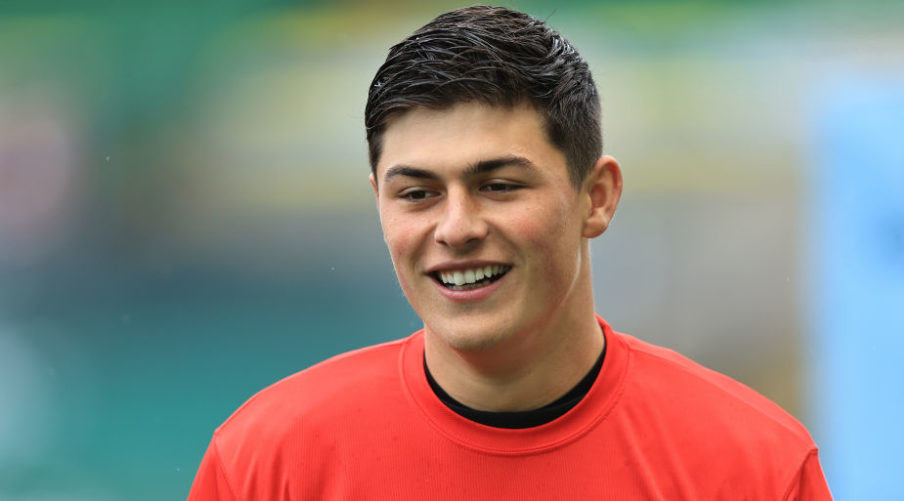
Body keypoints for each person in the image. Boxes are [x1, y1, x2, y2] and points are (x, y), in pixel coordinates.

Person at [188, 6, 832, 500]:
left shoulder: (754, 467)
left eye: (498, 186)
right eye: (417, 193)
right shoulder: (267, 462)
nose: (456, 228)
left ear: (597, 197)